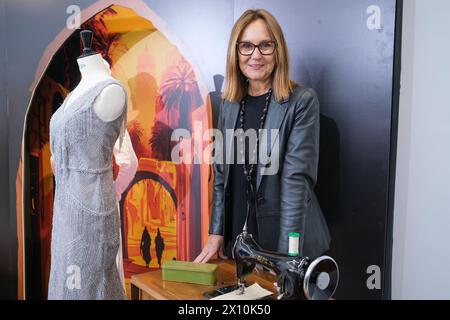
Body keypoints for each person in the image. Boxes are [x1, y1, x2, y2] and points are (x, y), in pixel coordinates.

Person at [194, 9, 330, 263]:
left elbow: (295, 186)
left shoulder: (301, 102)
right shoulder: (229, 103)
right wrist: (216, 233)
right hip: (240, 239)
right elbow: (222, 176)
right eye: (246, 46)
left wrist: (286, 259)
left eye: (265, 45)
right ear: (236, 52)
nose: (255, 55)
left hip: (284, 239)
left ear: (277, 51)